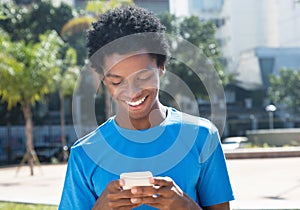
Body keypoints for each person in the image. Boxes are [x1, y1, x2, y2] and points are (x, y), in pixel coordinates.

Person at [59, 6, 234, 210]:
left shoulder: (202, 136)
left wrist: (186, 206)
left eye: (143, 77)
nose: (132, 92)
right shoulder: (84, 153)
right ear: (104, 81)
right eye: (117, 81)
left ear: (161, 67)